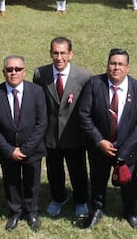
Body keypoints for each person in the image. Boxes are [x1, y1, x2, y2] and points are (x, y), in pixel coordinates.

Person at [77, 48, 137, 229]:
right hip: (100, 146)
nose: (116, 67)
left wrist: (125, 149)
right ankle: (98, 208)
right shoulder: (94, 84)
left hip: (128, 148)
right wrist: (99, 141)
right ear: (107, 64)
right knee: (97, 179)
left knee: (129, 182)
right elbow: (83, 115)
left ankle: (130, 210)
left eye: (120, 64)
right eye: (113, 63)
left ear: (128, 67)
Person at [32, 38, 91, 219]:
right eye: (55, 53)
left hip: (74, 135)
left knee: (78, 170)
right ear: (50, 53)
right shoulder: (40, 74)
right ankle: (58, 198)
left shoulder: (83, 76)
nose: (59, 57)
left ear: (70, 54)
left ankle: (81, 200)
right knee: (54, 170)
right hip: (50, 135)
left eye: (63, 53)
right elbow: (37, 102)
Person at [0, 56, 47, 231]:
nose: (13, 72)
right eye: (9, 69)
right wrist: (9, 150)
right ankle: (15, 211)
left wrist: (26, 149)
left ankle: (32, 211)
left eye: (17, 69)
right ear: (3, 72)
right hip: (7, 151)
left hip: (32, 150)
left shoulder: (37, 92)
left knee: (32, 182)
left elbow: (41, 123)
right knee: (11, 182)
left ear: (24, 71)